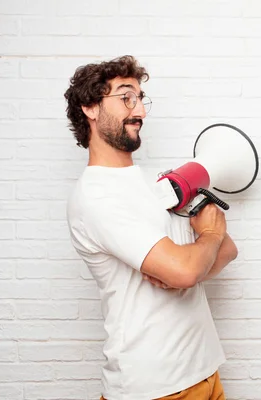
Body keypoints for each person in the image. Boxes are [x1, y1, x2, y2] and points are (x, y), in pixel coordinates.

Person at [64, 55, 237, 400]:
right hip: (155, 387)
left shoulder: (154, 180)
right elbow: (196, 261)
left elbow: (228, 252)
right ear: (90, 108)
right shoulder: (96, 196)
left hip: (204, 372)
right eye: (126, 98)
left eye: (142, 99)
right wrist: (207, 240)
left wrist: (191, 262)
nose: (140, 111)